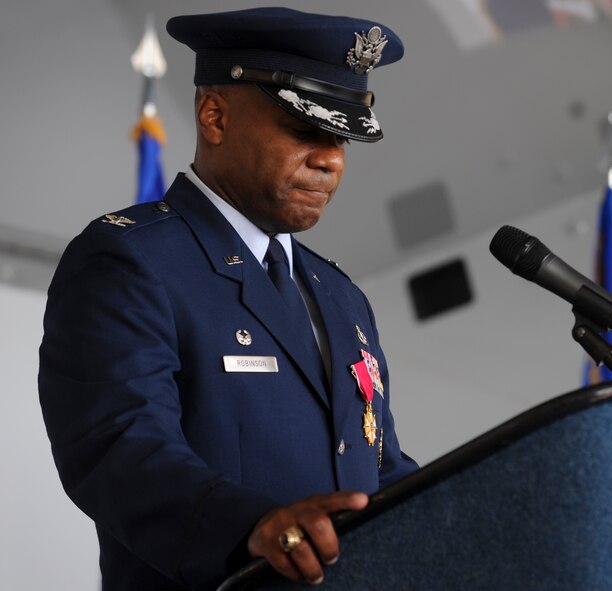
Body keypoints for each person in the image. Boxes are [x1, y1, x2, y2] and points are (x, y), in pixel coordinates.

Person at [38, 7, 418, 590]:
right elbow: (118, 447)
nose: (332, 159)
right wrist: (251, 528)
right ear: (214, 116)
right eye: (305, 131)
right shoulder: (130, 261)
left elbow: (379, 474)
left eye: (341, 138)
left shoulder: (342, 298)